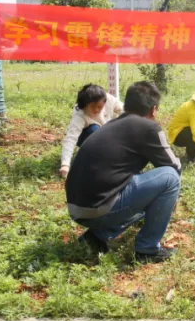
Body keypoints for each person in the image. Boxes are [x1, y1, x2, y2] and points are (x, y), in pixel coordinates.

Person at [66, 81, 181, 264]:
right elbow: (174, 166)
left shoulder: (111, 125)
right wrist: (172, 199)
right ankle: (147, 249)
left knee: (144, 188)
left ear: (126, 105)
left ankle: (97, 236)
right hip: (99, 209)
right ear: (153, 110)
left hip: (76, 208)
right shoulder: (149, 127)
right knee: (170, 178)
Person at [59, 83, 124, 178]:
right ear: (85, 105)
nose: (97, 110)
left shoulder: (109, 100)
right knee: (94, 129)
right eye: (93, 107)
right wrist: (65, 164)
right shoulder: (80, 114)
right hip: (88, 135)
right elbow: (71, 139)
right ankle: (98, 161)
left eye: (100, 107)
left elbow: (127, 110)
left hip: (107, 133)